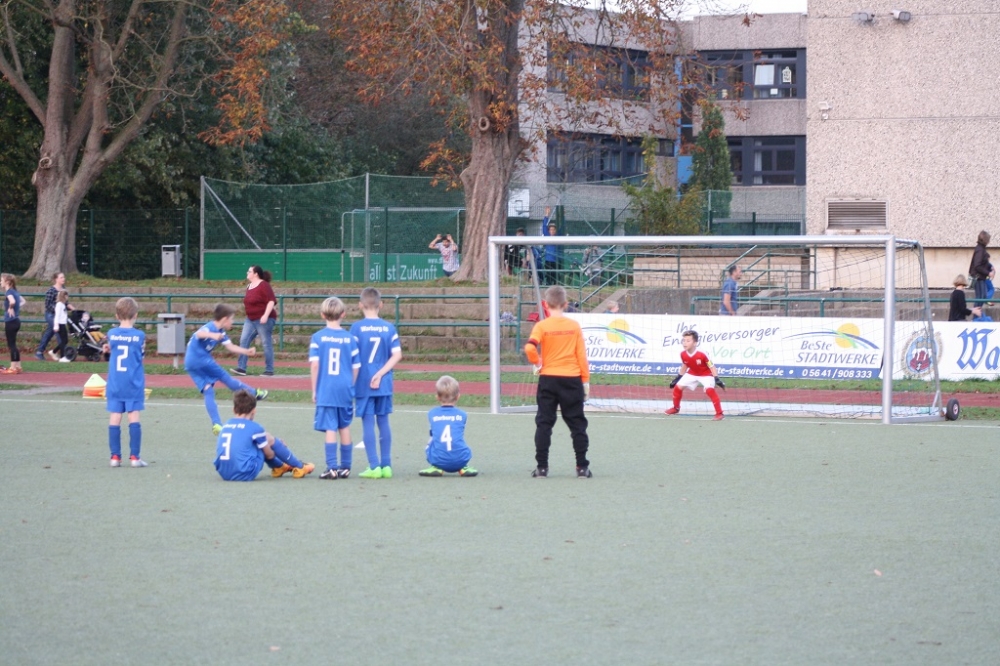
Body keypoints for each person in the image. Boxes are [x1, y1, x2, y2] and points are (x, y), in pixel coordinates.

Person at [523, 285, 592, 478]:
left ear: (546, 304)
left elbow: (529, 348)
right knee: (577, 424)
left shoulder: (542, 326)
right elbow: (581, 355)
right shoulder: (574, 326)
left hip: (549, 379)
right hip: (572, 379)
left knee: (544, 423)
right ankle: (582, 467)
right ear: (566, 304)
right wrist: (585, 381)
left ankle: (542, 467)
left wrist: (537, 362)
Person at [184, 303, 269, 435]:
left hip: (190, 363)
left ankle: (217, 424)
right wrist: (213, 335)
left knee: (208, 390)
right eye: (232, 319)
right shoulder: (210, 327)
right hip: (200, 359)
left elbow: (231, 347)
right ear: (224, 319)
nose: (232, 322)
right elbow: (199, 334)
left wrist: (246, 351)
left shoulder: (221, 332)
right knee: (225, 378)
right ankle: (254, 393)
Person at [350, 287, 403, 479]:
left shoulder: (356, 328)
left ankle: (374, 466)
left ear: (360, 305)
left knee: (367, 422)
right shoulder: (389, 328)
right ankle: (386, 465)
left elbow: (352, 357)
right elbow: (397, 355)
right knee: (383, 421)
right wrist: (380, 374)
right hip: (384, 382)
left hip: (364, 382)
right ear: (381, 304)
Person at [214, 390, 314, 481]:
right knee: (267, 438)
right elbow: (269, 455)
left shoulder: (226, 425)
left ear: (233, 410)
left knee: (257, 441)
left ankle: (280, 467)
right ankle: (299, 466)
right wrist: (278, 446)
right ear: (254, 411)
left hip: (223, 473)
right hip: (245, 472)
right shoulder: (255, 427)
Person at [310, 297, 360, 479]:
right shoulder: (350, 339)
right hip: (345, 388)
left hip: (326, 388)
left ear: (322, 315)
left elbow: (315, 365)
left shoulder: (317, 338)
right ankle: (345, 466)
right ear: (343, 314)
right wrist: (351, 384)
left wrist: (314, 389)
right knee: (344, 425)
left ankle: (331, 467)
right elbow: (356, 367)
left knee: (330, 426)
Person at [103, 297, 148, 467]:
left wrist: (108, 348)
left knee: (115, 416)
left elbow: (111, 348)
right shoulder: (140, 335)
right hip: (133, 384)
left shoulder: (112, 334)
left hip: (115, 383)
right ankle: (135, 457)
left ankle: (115, 457)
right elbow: (141, 355)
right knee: (133, 417)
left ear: (117, 316)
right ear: (135, 315)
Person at [419, 375, 478, 477]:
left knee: (432, 439)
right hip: (461, 460)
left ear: (437, 397)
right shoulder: (462, 415)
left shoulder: (432, 413)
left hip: (438, 460)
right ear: (458, 396)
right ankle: (463, 467)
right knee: (460, 441)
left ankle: (436, 467)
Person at [664, 330, 725, 421]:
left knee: (709, 390)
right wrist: (678, 378)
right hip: (692, 373)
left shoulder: (702, 353)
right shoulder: (683, 354)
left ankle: (719, 413)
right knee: (678, 387)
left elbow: (711, 366)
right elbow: (685, 365)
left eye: (688, 341)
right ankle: (676, 408)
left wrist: (716, 378)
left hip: (706, 374)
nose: (685, 343)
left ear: (695, 343)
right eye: (684, 340)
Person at [234, 266, 277, 377]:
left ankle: (269, 369)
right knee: (244, 340)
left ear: (256, 274)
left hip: (264, 319)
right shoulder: (249, 286)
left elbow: (271, 301)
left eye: (249, 271)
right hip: (251, 319)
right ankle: (241, 368)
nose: (247, 273)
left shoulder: (264, 285)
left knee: (266, 343)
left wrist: (265, 315)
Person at [35, 272, 71, 360]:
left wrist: (69, 307)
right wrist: (58, 308)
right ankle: (63, 355)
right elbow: (48, 304)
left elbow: (65, 302)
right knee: (59, 332)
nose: (63, 279)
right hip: (51, 315)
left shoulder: (63, 289)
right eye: (61, 277)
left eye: (63, 277)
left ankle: (40, 352)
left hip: (59, 315)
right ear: (56, 279)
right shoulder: (51, 291)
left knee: (49, 332)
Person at [1, 273, 23, 374]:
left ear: (7, 282)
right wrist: (15, 308)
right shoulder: (15, 292)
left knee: (11, 345)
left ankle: (13, 367)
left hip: (10, 322)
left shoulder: (9, 292)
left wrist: (11, 308)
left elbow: (12, 301)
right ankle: (18, 366)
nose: (0, 282)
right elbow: (23, 301)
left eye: (1, 280)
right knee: (14, 344)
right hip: (16, 321)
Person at [969, 230, 992, 304]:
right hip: (978, 277)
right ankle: (977, 311)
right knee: (980, 297)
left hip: (980, 276)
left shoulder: (980, 248)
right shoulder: (980, 250)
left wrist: (990, 267)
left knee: (981, 297)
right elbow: (977, 265)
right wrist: (988, 273)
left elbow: (981, 263)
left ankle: (978, 311)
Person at [50, 290, 71, 362]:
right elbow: (57, 315)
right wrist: (56, 325)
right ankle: (62, 357)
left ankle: (54, 351)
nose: (67, 297)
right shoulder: (59, 305)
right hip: (60, 324)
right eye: (66, 296)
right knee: (64, 340)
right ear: (64, 296)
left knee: (65, 340)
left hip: (63, 323)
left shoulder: (63, 304)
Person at [541, 208, 560, 285]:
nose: (552, 231)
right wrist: (547, 215)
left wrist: (563, 216)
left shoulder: (558, 237)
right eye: (551, 230)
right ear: (549, 231)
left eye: (553, 230)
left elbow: (562, 227)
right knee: (548, 276)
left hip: (556, 260)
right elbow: (544, 226)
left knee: (555, 276)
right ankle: (548, 285)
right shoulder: (547, 236)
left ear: (555, 231)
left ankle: (555, 286)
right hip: (548, 260)